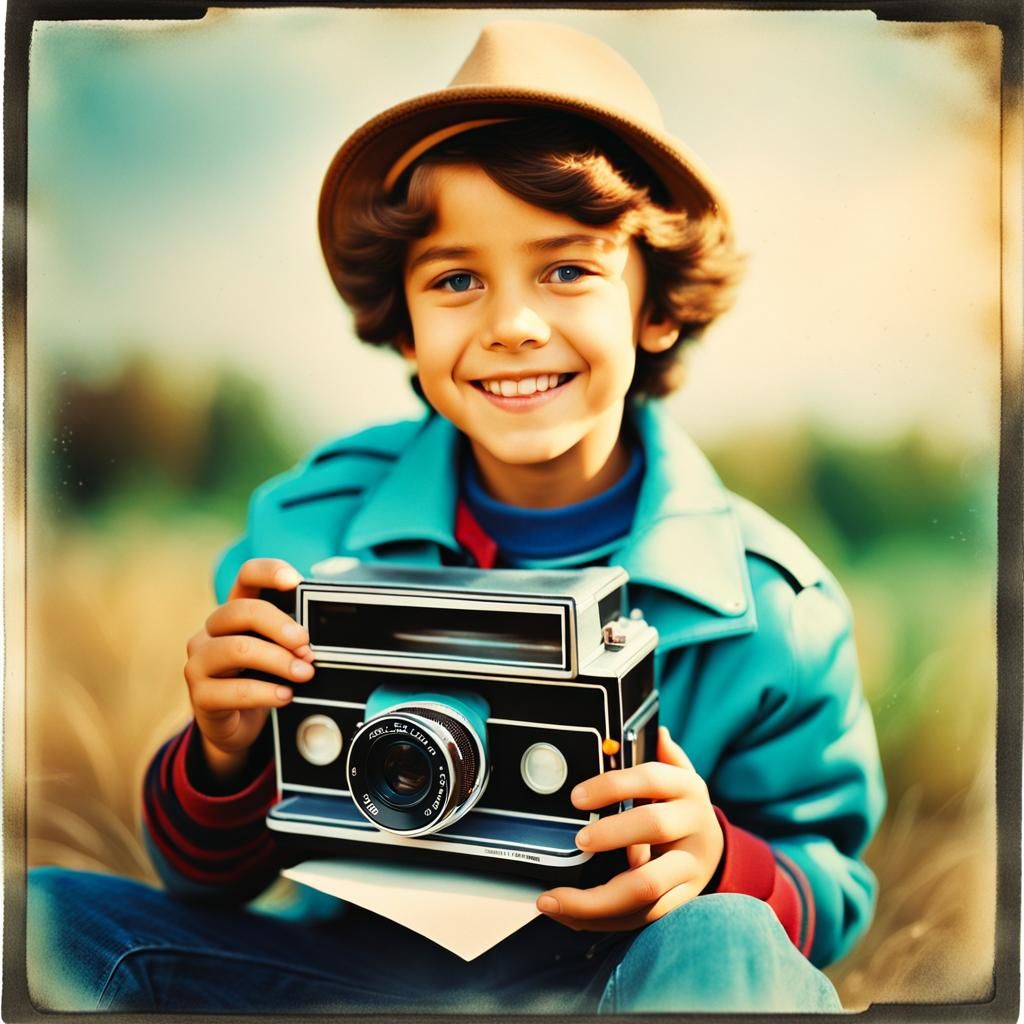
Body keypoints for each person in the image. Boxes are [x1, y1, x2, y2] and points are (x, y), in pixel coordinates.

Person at [27, 19, 886, 1014]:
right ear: (403, 314)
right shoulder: (310, 535)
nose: (511, 323)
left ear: (654, 307)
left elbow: (833, 888)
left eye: (566, 269)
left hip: (629, 982)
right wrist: (221, 752)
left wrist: (718, 857)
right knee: (48, 918)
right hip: (351, 976)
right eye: (456, 279)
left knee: (731, 931)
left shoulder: (771, 606)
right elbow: (206, 881)